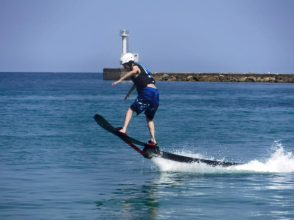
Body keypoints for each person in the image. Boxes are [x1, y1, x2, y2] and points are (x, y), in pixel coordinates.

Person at [112, 53, 159, 146]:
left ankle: (124, 129)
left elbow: (133, 71)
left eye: (124, 65)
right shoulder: (140, 70)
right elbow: (137, 83)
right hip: (155, 93)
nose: (124, 67)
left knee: (131, 110)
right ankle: (153, 140)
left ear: (129, 63)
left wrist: (120, 80)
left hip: (147, 92)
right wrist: (129, 93)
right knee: (149, 118)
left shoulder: (136, 67)